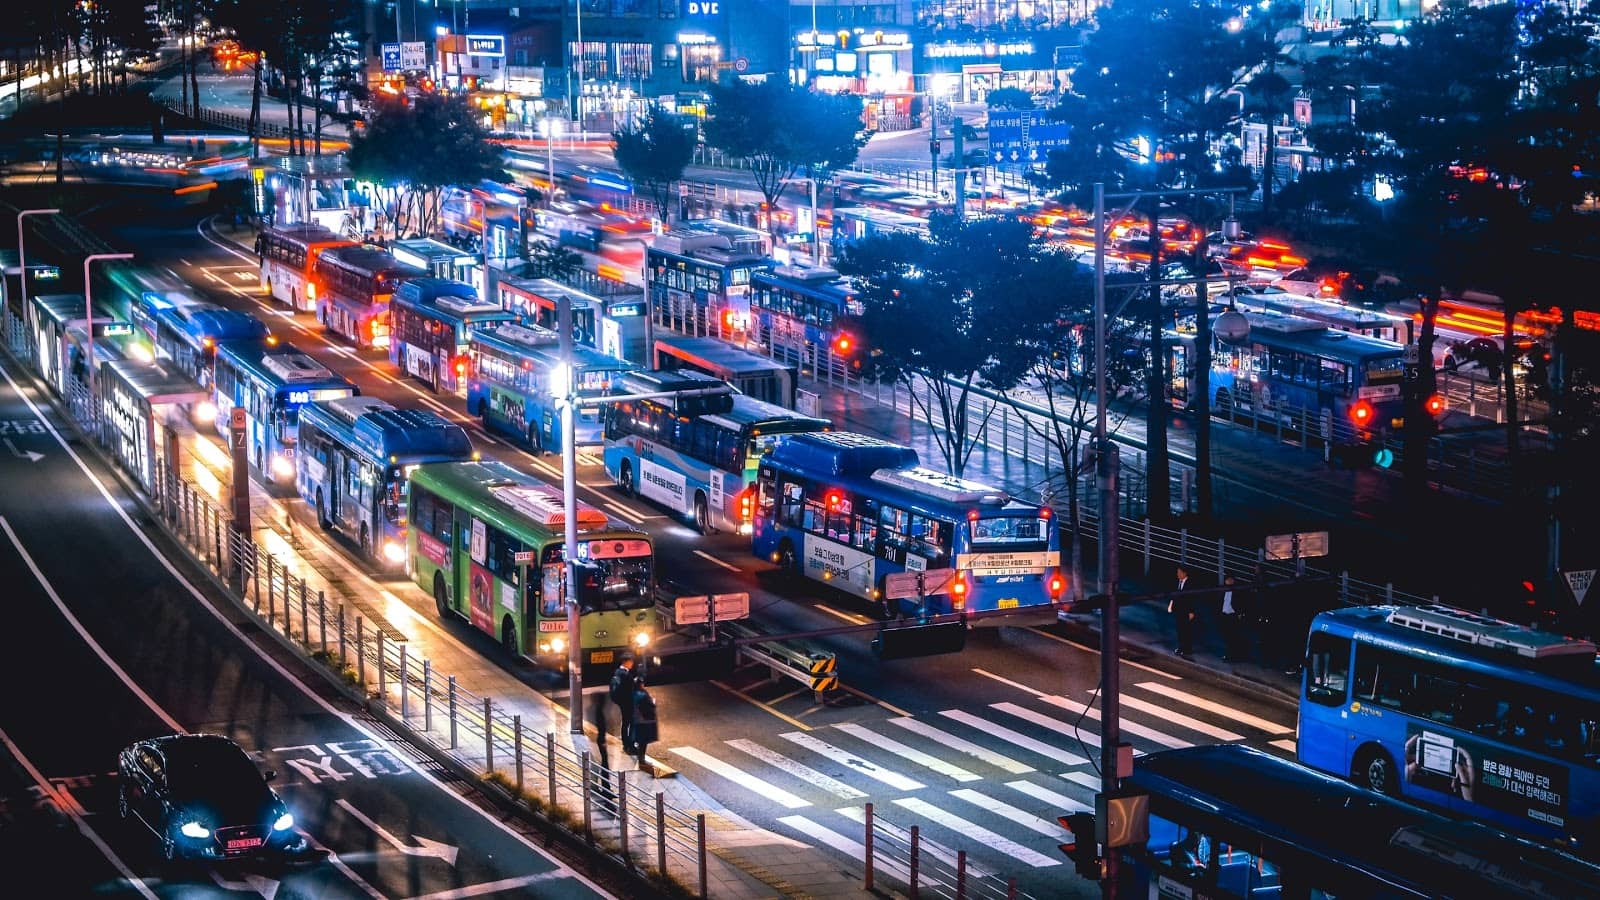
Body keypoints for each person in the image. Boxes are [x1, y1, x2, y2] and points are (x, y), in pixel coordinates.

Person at [609, 652, 638, 754]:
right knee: (632, 723)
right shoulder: (625, 674)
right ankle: (630, 745)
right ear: (626, 662)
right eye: (631, 662)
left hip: (622, 702)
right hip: (628, 702)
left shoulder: (617, 672)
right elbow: (631, 689)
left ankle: (626, 744)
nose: (632, 664)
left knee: (625, 723)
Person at [1170, 566, 1196, 659]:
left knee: (1186, 630)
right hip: (1179, 610)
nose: (1177, 574)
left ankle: (1187, 648)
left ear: (1185, 573)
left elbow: (1192, 599)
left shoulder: (1190, 584)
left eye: (1179, 572)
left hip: (1186, 611)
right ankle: (1181, 647)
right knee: (1180, 630)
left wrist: (1191, 611)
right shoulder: (1178, 582)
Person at [1218, 574, 1244, 662]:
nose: (1228, 581)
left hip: (1232, 616)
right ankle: (1228, 654)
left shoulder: (1237, 591)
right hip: (1224, 615)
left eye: (1230, 580)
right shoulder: (1223, 590)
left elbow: (1240, 603)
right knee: (1226, 636)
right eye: (1227, 580)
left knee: (1233, 637)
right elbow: (1219, 601)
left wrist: (1239, 613)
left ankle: (1233, 655)